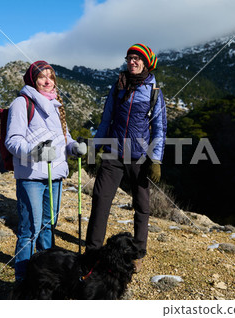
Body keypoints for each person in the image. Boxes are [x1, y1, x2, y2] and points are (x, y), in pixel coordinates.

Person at [86, 44, 167, 272]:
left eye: (137, 58)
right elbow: (106, 120)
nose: (132, 62)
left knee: (142, 205)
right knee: (101, 199)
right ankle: (93, 252)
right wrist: (96, 147)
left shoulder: (154, 92)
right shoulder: (118, 86)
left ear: (147, 62)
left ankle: (138, 253)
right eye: (130, 58)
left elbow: (160, 129)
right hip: (113, 153)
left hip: (139, 156)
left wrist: (156, 160)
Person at [5, 60, 87, 282]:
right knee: (29, 231)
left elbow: (65, 139)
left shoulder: (57, 106)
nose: (47, 80)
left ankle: (47, 275)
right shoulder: (21, 104)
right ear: (33, 79)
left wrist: (73, 148)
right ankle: (22, 280)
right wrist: (37, 152)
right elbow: (12, 141)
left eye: (51, 76)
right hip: (31, 177)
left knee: (48, 227)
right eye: (42, 76)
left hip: (55, 176)